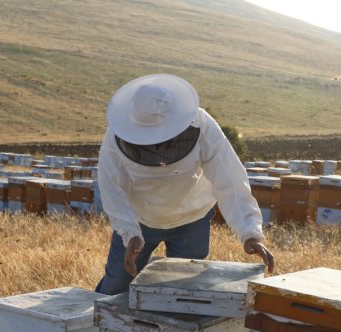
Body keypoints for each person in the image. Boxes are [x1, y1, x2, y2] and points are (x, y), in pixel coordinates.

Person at [95, 73, 275, 295]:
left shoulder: (202, 124)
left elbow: (230, 179)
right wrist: (129, 233)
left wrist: (250, 233)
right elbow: (112, 189)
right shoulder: (116, 136)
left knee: (184, 294)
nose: (156, 144)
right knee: (115, 287)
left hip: (192, 219)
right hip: (140, 220)